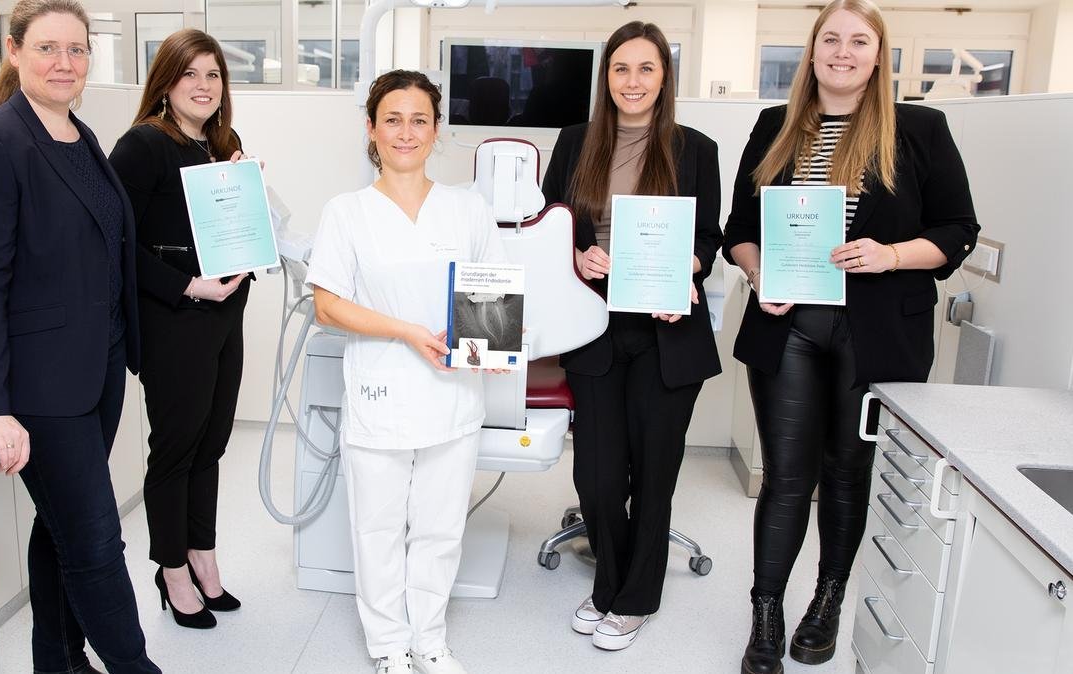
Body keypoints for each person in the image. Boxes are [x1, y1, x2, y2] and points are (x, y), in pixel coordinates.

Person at [721, 2, 980, 672]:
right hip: (788, 328)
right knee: (785, 477)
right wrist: (757, 271)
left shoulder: (920, 128)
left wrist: (891, 255)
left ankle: (827, 600)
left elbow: (957, 231)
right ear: (812, 51)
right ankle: (767, 614)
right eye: (830, 38)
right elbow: (738, 229)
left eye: (858, 41)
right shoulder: (775, 127)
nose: (842, 51)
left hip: (877, 333)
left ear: (878, 54)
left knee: (846, 472)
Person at [0, 1, 161, 672]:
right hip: (37, 384)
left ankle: (57, 659)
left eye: (77, 49)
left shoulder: (80, 135)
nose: (65, 63)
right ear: (14, 53)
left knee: (62, 525)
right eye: (47, 49)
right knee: (94, 537)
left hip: (97, 370)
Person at [306, 69, 506, 674]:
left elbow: (493, 297)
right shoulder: (347, 212)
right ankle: (389, 645)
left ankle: (431, 641)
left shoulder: (467, 208)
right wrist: (408, 331)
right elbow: (327, 303)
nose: (406, 131)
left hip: (452, 396)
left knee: (441, 529)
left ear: (436, 130)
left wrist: (492, 347)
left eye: (420, 119)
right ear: (371, 128)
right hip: (382, 392)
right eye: (392, 118)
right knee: (378, 529)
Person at [540, 21, 723, 651]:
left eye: (647, 68)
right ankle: (606, 587)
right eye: (622, 68)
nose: (633, 81)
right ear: (606, 77)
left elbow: (707, 240)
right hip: (593, 324)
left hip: (666, 331)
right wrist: (579, 252)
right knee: (595, 472)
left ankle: (636, 598)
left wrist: (683, 273)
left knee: (653, 471)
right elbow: (551, 225)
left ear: (664, 77)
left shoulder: (694, 148)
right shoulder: (575, 143)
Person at [108, 29, 251, 630]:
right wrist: (188, 285)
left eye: (213, 75)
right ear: (165, 82)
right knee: (175, 449)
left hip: (224, 316)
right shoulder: (144, 146)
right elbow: (116, 242)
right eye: (189, 74)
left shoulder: (223, 147)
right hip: (175, 319)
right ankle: (170, 569)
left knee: (212, 445)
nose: (203, 86)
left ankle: (203, 555)